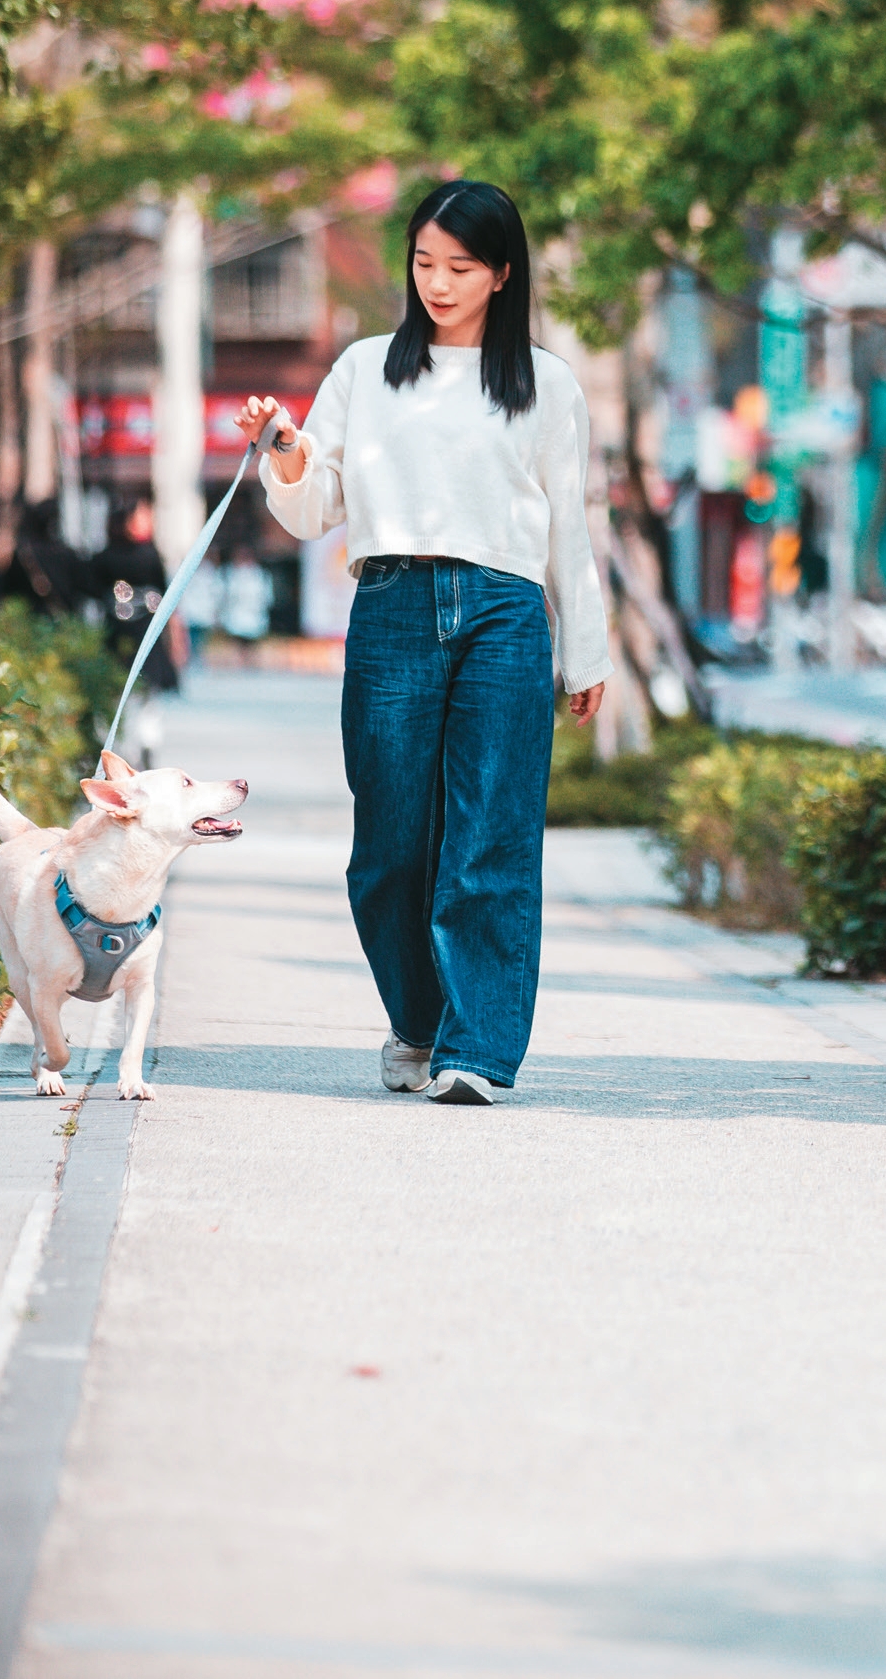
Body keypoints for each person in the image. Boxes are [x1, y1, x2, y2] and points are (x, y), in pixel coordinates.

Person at [237, 180, 610, 1104]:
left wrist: (586, 652)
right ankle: (418, 1020)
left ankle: (477, 1052)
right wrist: (283, 444)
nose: (437, 283)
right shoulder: (366, 370)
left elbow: (571, 525)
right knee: (392, 846)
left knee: (489, 838)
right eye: (423, 264)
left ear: (502, 274)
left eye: (461, 267)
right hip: (393, 602)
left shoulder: (545, 383)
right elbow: (314, 504)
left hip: (504, 612)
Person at [91, 496, 186, 756]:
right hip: (139, 637)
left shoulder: (105, 557)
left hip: (127, 636)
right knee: (143, 695)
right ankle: (140, 743)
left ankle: (126, 745)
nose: (148, 522)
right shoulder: (147, 556)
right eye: (142, 516)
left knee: (134, 696)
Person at [219, 544, 274, 662]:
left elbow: (265, 597)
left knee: (251, 642)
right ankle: (239, 660)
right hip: (237, 615)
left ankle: (249, 660)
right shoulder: (231, 573)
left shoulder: (260, 575)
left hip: (253, 614)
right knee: (237, 640)